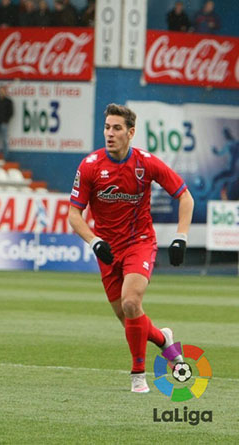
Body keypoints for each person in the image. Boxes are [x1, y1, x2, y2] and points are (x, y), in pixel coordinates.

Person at [68, 104, 194, 394]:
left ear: (131, 132)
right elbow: (74, 214)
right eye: (107, 127)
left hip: (139, 243)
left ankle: (138, 375)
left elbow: (185, 196)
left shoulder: (146, 163)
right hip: (108, 250)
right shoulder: (89, 166)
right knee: (128, 317)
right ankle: (164, 340)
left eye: (116, 128)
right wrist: (94, 241)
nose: (109, 134)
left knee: (130, 302)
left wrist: (181, 237)